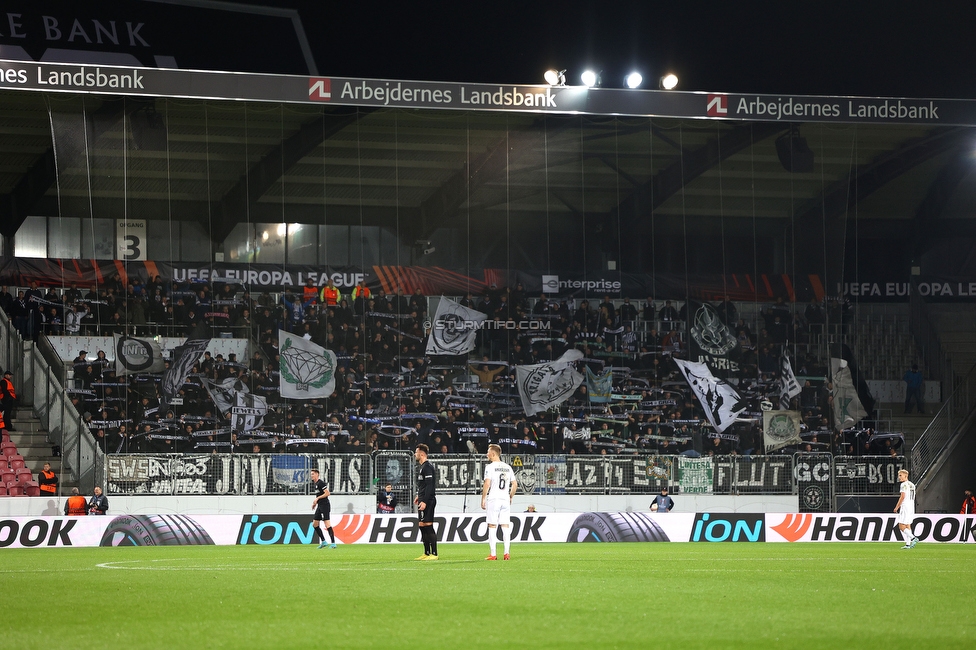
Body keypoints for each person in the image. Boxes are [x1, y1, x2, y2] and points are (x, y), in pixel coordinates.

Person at [481, 443, 517, 561]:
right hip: (505, 499)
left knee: (492, 525)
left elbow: (487, 483)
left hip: (494, 498)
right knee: (505, 526)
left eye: (488, 452)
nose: (487, 454)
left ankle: (493, 554)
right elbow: (514, 484)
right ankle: (506, 553)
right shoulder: (508, 467)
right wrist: (510, 496)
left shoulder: (490, 467)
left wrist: (483, 498)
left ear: (493, 454)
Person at [413, 443, 438, 560]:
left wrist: (425, 501)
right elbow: (423, 486)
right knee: (422, 526)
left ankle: (434, 554)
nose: (415, 454)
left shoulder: (428, 467)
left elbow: (429, 486)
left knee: (428, 526)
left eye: (416, 452)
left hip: (428, 501)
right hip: (423, 499)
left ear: (422, 454)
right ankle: (426, 552)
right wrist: (419, 496)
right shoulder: (422, 467)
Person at [310, 469, 336, 549]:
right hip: (319, 506)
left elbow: (327, 493)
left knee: (327, 524)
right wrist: (315, 503)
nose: (311, 475)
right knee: (314, 524)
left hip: (325, 506)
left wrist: (317, 499)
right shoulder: (315, 484)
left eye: (313, 474)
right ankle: (324, 542)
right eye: (311, 474)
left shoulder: (321, 483)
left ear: (317, 474)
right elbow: (319, 495)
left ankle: (333, 543)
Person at [894, 469, 919, 549]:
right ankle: (908, 544)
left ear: (906, 476)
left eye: (900, 475)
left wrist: (897, 507)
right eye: (899, 476)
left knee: (901, 526)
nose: (899, 477)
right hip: (911, 506)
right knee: (908, 525)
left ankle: (913, 538)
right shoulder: (912, 485)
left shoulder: (903, 485)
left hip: (905, 506)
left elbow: (903, 496)